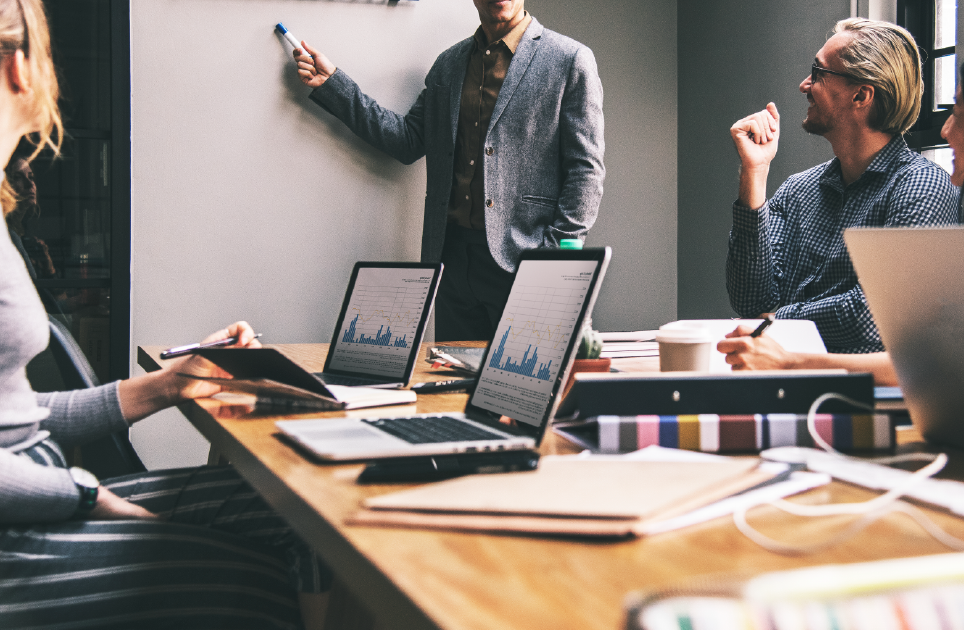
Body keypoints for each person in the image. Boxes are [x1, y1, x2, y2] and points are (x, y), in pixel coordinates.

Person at [0, 2, 330, 627]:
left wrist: (172, 383)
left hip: (42, 495)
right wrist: (92, 500)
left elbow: (12, 420)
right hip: (20, 538)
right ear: (23, 67)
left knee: (302, 510)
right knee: (258, 576)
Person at [720, 39, 964, 422]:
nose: (946, 131)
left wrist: (782, 341)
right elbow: (751, 299)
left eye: (959, 114)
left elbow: (927, 354)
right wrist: (754, 175)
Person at [292, 0, 604, 342]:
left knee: (522, 389)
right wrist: (334, 85)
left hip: (525, 261)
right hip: (451, 262)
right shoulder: (449, 65)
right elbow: (408, 140)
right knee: (453, 388)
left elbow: (586, 169)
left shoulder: (569, 60)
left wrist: (554, 255)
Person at [724, 18, 959, 355]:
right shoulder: (797, 190)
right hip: (780, 382)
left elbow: (873, 318)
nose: (805, 84)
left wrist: (775, 321)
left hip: (858, 399)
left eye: (818, 73)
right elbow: (750, 301)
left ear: (861, 95)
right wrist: (754, 173)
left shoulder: (921, 186)